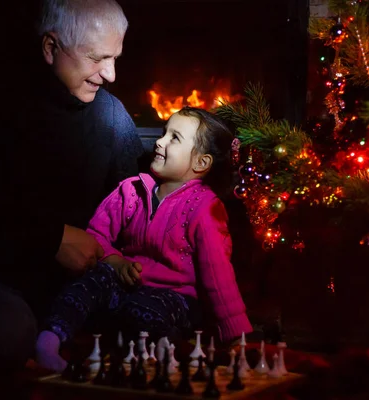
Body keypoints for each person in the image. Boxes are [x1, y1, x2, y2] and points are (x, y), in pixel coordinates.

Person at [0, 0, 143, 378]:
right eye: (97, 58)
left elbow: (130, 223)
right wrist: (49, 238)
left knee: (6, 328)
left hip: (7, 299)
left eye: (116, 57)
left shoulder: (113, 121)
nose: (111, 74)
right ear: (50, 48)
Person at [35, 107, 253, 372]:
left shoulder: (205, 208)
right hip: (126, 287)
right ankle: (50, 340)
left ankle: (157, 355)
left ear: (201, 163)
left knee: (144, 311)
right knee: (92, 282)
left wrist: (233, 333)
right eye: (164, 133)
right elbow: (95, 236)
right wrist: (114, 261)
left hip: (176, 300)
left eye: (175, 138)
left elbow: (218, 274)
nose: (160, 142)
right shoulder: (131, 191)